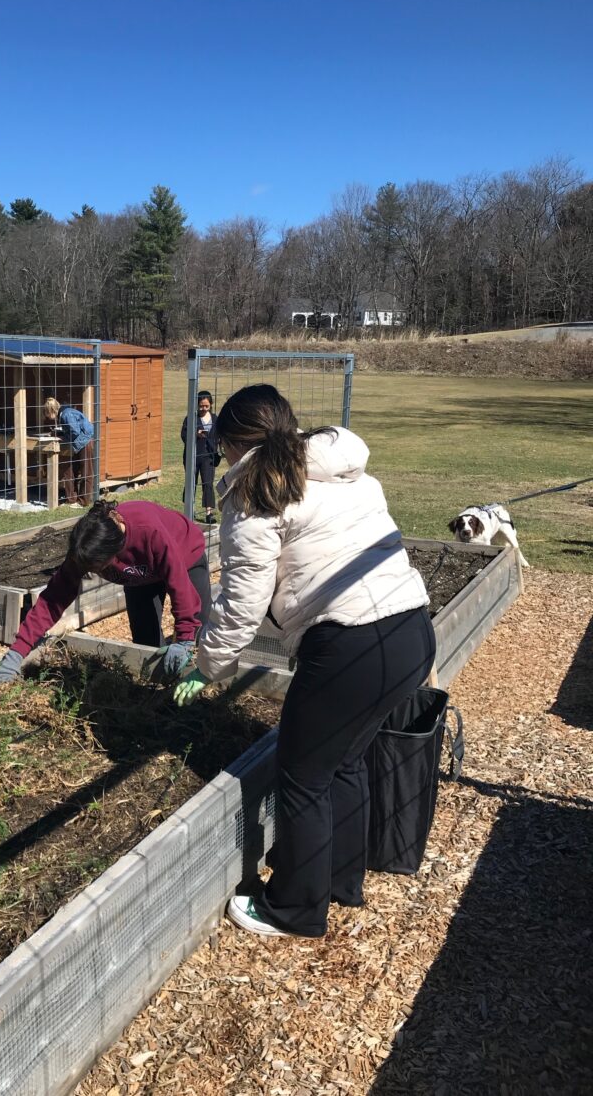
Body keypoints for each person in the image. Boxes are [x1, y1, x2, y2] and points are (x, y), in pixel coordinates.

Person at [174, 384, 434, 939]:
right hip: (411, 627)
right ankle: (341, 880)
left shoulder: (256, 495)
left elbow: (241, 604)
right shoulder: (344, 471)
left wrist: (209, 666)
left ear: (236, 443)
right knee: (344, 762)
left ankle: (293, 907)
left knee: (302, 776)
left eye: (221, 448)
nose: (220, 458)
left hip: (352, 646)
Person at [0, 499, 213, 686]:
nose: (90, 572)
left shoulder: (148, 532)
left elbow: (180, 585)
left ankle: (201, 696)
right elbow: (53, 599)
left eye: (96, 568)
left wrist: (184, 638)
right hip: (140, 577)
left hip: (185, 557)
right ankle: (157, 696)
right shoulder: (87, 547)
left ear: (115, 556)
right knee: (146, 645)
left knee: (197, 634)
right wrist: (16, 654)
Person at [44, 397, 95, 506]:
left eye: (47, 413)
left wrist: (63, 438)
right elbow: (72, 430)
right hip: (79, 443)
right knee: (70, 471)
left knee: (86, 472)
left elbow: (75, 432)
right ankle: (72, 499)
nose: (47, 417)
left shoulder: (66, 414)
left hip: (84, 442)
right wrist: (59, 434)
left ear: (51, 410)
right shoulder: (64, 413)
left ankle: (83, 502)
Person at [180, 390, 219, 523]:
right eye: (201, 406)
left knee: (208, 483)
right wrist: (195, 434)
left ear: (211, 405)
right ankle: (188, 511)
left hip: (208, 457)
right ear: (197, 405)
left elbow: (219, 435)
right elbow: (184, 435)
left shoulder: (215, 419)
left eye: (206, 406)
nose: (203, 408)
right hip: (192, 456)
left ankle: (209, 513)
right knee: (191, 483)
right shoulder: (191, 418)